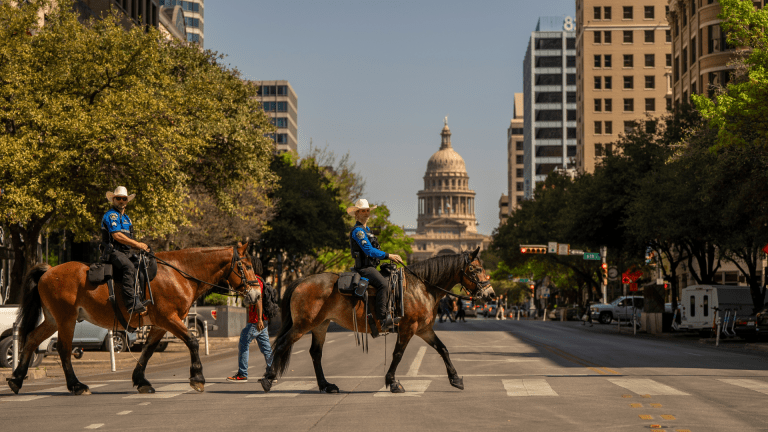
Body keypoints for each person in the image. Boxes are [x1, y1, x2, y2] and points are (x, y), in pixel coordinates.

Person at [347, 199, 404, 330]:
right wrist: (389, 255)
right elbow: (369, 251)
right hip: (364, 268)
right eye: (363, 211)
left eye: (367, 210)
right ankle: (383, 319)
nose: (366, 213)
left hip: (372, 267)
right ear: (356, 214)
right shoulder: (358, 231)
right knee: (383, 284)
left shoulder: (367, 230)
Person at [100, 186, 150, 314]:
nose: (121, 201)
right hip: (113, 252)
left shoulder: (128, 219)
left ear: (127, 201)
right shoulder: (111, 215)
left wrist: (143, 247)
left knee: (144, 265)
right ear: (113, 200)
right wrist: (137, 244)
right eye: (118, 198)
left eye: (124, 198)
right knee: (128, 267)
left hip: (126, 253)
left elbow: (129, 240)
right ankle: (131, 304)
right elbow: (117, 236)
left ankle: (142, 297)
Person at [227, 276, 273, 382]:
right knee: (266, 348)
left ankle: (242, 374)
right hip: (261, 321)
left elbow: (259, 299)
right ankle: (271, 373)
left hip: (256, 322)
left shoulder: (254, 280)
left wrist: (259, 319)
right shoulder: (259, 280)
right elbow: (251, 299)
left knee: (243, 343)